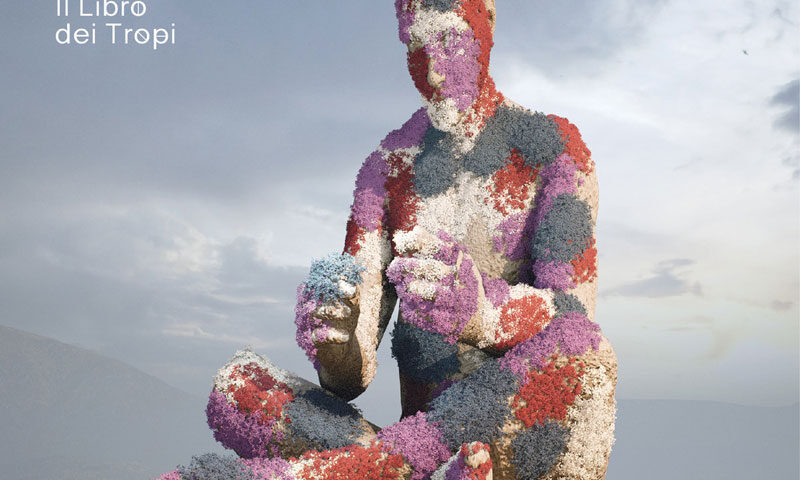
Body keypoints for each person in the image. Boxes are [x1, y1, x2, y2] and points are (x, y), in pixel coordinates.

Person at [165, 1, 618, 479]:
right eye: (416, 47)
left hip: (513, 433)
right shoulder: (386, 170)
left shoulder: (552, 151)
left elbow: (573, 316)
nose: (434, 73)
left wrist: (484, 313)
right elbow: (347, 381)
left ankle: (363, 469)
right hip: (423, 448)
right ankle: (399, 465)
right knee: (237, 389)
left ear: (487, 23)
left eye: (449, 40)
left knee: (586, 351)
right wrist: (337, 338)